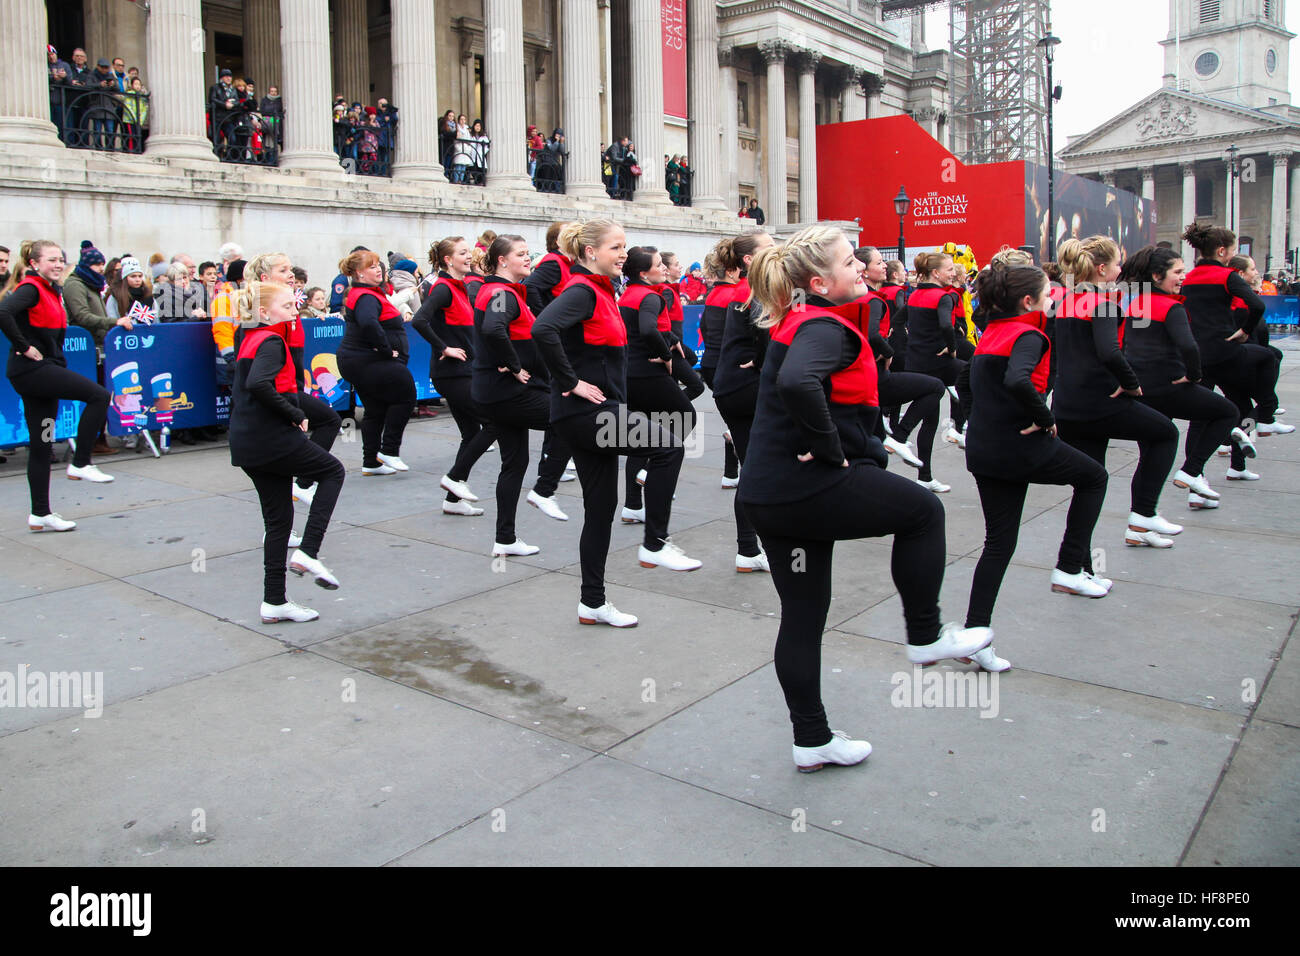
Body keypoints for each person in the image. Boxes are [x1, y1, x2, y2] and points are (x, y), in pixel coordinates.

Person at [736, 225, 991, 772]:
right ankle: (925, 634)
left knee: (803, 616)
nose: (862, 268)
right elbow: (798, 385)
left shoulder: (801, 320)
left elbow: (823, 391)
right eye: (851, 261)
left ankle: (813, 740)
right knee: (924, 511)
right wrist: (830, 451)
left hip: (769, 496)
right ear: (818, 282)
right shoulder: (825, 326)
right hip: (805, 488)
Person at [533, 219, 701, 628]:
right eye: (616, 247)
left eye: (625, 246)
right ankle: (655, 543)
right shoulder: (582, 290)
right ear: (590, 252)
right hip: (587, 414)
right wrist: (571, 382)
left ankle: (592, 602)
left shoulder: (605, 291)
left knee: (600, 510)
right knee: (669, 446)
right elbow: (543, 328)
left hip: (593, 412)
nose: (623, 253)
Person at [956, 262, 1112, 670]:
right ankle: (1069, 567)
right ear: (1028, 301)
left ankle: (976, 636)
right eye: (1047, 293)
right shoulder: (1028, 333)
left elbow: (971, 383)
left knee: (998, 543)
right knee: (1095, 478)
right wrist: (1044, 417)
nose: (1052, 298)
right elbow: (1018, 380)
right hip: (1019, 447)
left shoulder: (990, 332)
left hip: (986, 450)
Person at [228, 279, 345, 624]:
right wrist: (295, 413)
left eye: (295, 305)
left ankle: (274, 601)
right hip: (270, 438)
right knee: (333, 472)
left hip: (249, 441)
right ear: (264, 312)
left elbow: (251, 386)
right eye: (286, 306)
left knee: (278, 521)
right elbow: (258, 384)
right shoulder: (271, 340)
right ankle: (309, 551)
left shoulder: (249, 336)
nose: (294, 310)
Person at [1053, 235, 1182, 549]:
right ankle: (1143, 513)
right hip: (1099, 403)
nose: (1120, 268)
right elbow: (1110, 352)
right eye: (1116, 263)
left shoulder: (1065, 302)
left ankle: (1074, 568)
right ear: (1101, 269)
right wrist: (1131, 382)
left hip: (1069, 405)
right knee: (1166, 433)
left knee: (1091, 483)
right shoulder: (1102, 303)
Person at [0, 240, 116, 532]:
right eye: (51, 259)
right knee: (99, 395)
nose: (57, 264)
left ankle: (40, 514)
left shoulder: (53, 290)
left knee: (42, 445)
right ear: (34, 264)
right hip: (34, 371)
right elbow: (3, 313)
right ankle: (80, 462)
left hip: (41, 376)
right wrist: (24, 347)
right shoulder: (31, 288)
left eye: (60, 259)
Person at [471, 234, 573, 554]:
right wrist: (513, 365)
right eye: (521, 254)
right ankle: (545, 489)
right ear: (502, 260)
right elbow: (492, 328)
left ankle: (505, 539)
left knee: (514, 463)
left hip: (498, 392)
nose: (528, 259)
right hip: (507, 392)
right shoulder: (501, 293)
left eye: (529, 254)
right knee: (567, 417)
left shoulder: (507, 291)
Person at [1121, 246, 1240, 511]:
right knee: (1228, 412)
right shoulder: (1171, 308)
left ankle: (1141, 519)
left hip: (1143, 390)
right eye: (1178, 272)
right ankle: (1192, 471)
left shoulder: (1138, 302)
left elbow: (1126, 344)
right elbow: (1189, 346)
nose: (1183, 277)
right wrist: (1194, 376)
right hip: (1169, 386)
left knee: (1150, 456)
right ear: (1156, 276)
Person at [1180, 224, 1290, 484]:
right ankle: (1263, 416)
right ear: (1221, 251)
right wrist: (1244, 331)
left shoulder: (1191, 277)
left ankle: (1202, 474)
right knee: (1270, 358)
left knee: (1203, 418)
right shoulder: (1226, 277)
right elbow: (1257, 305)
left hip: (1200, 355)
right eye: (1232, 250)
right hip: (1225, 352)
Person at [618, 247, 700, 547]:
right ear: (644, 272)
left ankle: (634, 502)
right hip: (648, 372)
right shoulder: (649, 296)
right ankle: (651, 476)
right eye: (658, 265)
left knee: (643, 437)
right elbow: (648, 329)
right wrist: (665, 356)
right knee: (686, 418)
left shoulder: (627, 295)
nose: (663, 268)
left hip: (631, 372)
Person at [248, 253, 343, 508]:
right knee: (328, 422)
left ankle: (297, 492)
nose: (291, 274)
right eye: (283, 270)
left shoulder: (288, 307)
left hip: (290, 388)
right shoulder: (270, 314)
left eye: (291, 269)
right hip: (280, 391)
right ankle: (302, 485)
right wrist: (288, 405)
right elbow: (261, 367)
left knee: (280, 472)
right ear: (266, 278)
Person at [413, 237, 495, 514]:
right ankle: (454, 477)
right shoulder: (444, 288)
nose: (469, 257)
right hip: (453, 373)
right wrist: (444, 348)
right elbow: (419, 319)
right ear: (448, 260)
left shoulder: (459, 287)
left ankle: (453, 501)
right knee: (495, 422)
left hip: (463, 370)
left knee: (471, 433)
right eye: (462, 253)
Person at [710, 232, 777, 571]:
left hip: (734, 386)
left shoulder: (748, 289)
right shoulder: (754, 290)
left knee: (756, 468)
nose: (777, 250)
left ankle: (749, 549)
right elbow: (765, 330)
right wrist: (766, 361)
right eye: (770, 247)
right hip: (743, 387)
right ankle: (756, 547)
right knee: (761, 468)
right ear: (750, 260)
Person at [851, 246, 945, 481]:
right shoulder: (872, 300)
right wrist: (888, 349)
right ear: (863, 270)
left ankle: (914, 465)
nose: (885, 266)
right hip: (876, 377)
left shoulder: (864, 298)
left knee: (871, 448)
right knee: (936, 387)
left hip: (867, 375)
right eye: (879, 262)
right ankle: (900, 436)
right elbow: (871, 334)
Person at [336, 249, 416, 476]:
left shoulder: (367, 294)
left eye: (378, 265)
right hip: (366, 360)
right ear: (359, 273)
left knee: (376, 409)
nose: (378, 270)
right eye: (372, 267)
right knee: (406, 395)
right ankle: (389, 450)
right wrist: (386, 349)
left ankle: (371, 461)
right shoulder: (366, 297)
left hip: (359, 360)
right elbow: (369, 324)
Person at [904, 251, 966, 487]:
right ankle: (960, 425)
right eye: (950, 269)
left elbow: (901, 319)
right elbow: (945, 325)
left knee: (930, 422)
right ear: (936, 273)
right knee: (968, 373)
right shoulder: (943, 296)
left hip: (917, 360)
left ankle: (925, 477)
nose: (953, 273)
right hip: (937, 362)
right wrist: (951, 348)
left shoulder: (915, 294)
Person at [699, 243, 743, 487]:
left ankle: (730, 474)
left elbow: (705, 328)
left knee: (733, 422)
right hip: (727, 362)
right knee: (740, 424)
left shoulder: (713, 294)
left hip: (712, 361)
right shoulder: (733, 294)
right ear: (731, 270)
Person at [105, 256, 155, 321]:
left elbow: (155, 319)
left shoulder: (148, 295)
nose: (137, 279)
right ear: (125, 278)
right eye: (133, 276)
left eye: (140, 276)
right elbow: (111, 320)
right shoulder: (115, 297)